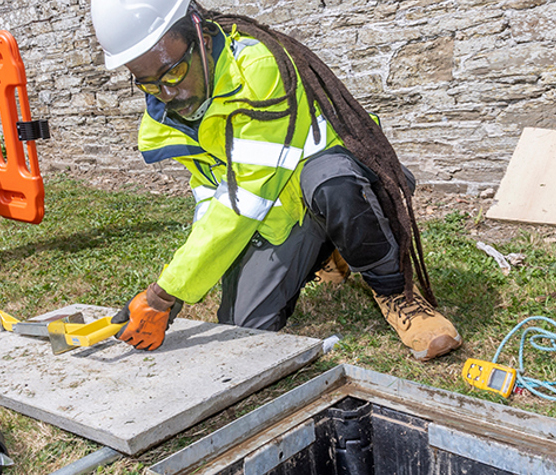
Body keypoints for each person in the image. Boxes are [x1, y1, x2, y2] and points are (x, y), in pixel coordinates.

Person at [92, 0, 462, 361]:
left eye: (173, 72)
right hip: (279, 207)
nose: (168, 93)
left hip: (335, 178)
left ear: (200, 38)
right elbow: (211, 197)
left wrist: (163, 294)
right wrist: (178, 287)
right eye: (149, 84)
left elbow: (247, 197)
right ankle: (331, 248)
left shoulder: (257, 69)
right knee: (244, 327)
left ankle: (397, 293)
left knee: (332, 185)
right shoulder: (163, 122)